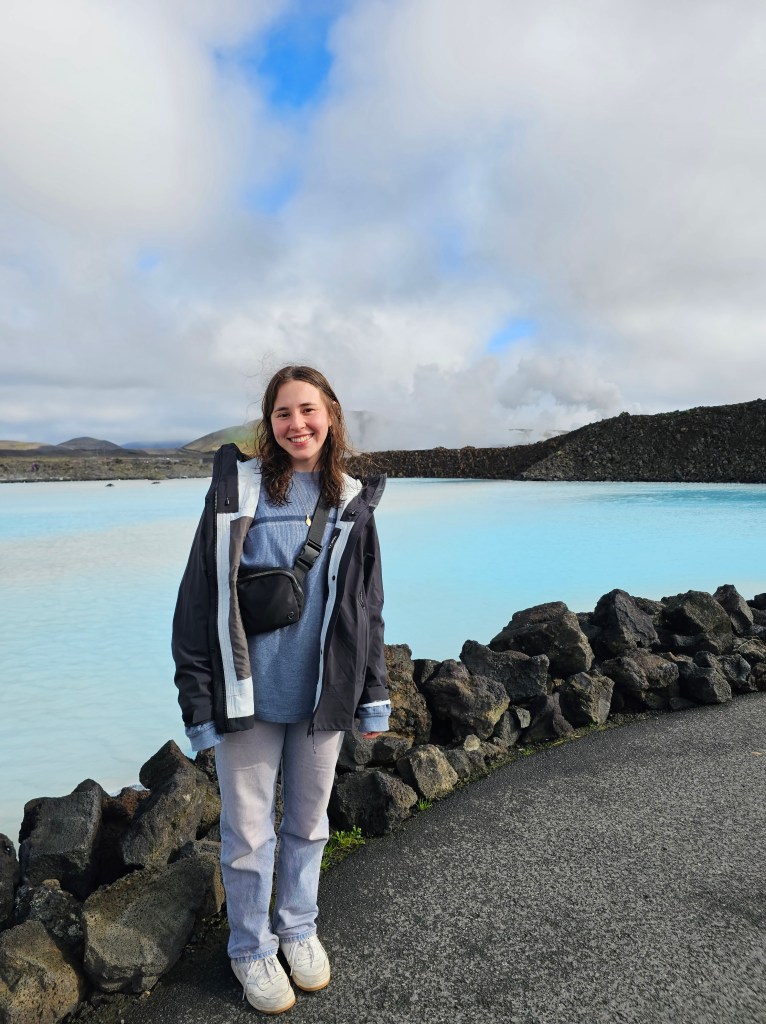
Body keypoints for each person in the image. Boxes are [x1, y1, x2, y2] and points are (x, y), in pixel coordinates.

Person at [171, 365, 390, 1014]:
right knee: (246, 836)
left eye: (308, 410)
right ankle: (250, 949)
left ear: (331, 415)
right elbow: (195, 604)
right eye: (283, 413)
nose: (297, 423)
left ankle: (297, 928)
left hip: (323, 698)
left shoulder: (352, 500)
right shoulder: (237, 492)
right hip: (247, 700)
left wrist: (373, 695)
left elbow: (365, 608)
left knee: (309, 825)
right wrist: (198, 704)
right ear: (268, 424)